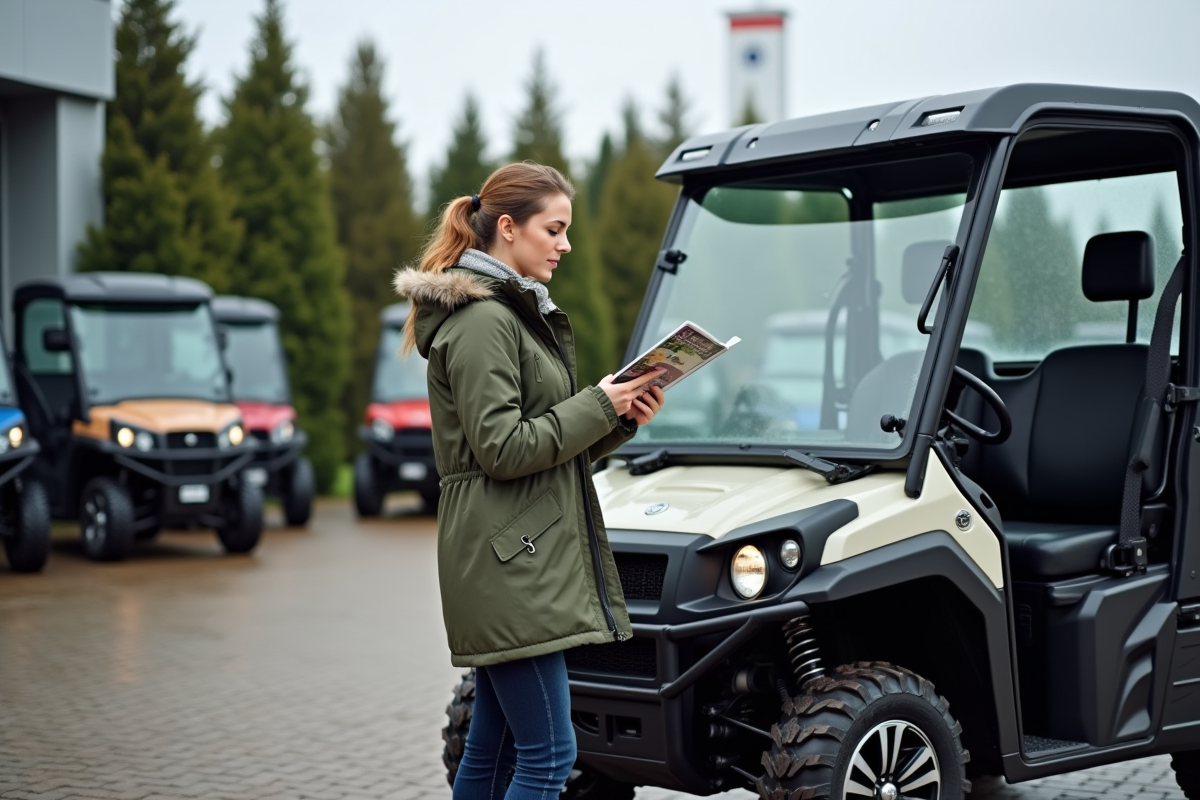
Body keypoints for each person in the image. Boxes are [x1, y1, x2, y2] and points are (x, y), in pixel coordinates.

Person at [393, 162, 666, 799]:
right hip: (511, 560)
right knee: (548, 756)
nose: (566, 244)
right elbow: (503, 449)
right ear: (509, 229)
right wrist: (598, 402)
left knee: (490, 747)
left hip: (509, 551)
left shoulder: (506, 316)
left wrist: (618, 417)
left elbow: (535, 448)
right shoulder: (487, 321)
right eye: (556, 228)